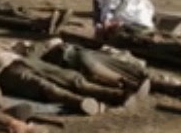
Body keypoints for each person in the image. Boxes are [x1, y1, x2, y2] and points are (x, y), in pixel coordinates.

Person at [0, 35, 144, 116]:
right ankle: (81, 102)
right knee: (46, 87)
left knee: (70, 77)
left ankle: (118, 94)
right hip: (4, 73)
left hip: (18, 60)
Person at [14, 37, 181, 97]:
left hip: (85, 54)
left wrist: (49, 42)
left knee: (133, 70)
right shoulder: (27, 57)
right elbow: (31, 59)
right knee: (91, 68)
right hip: (75, 62)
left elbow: (58, 40)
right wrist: (40, 46)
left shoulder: (41, 46)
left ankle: (170, 86)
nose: (22, 43)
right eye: (18, 45)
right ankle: (126, 83)